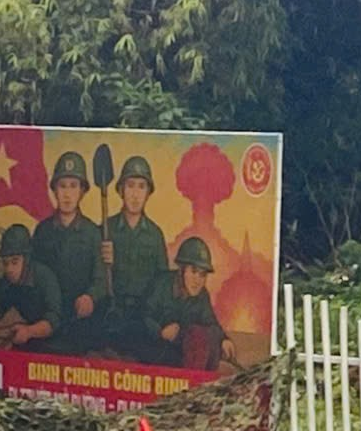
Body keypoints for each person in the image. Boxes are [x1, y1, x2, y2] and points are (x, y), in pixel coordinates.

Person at [27, 151, 103, 347]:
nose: (67, 194)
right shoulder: (42, 231)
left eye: (73, 185)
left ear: (82, 191)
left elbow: (100, 278)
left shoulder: (93, 233)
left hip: (79, 323)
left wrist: (90, 297)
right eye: (62, 186)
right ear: (54, 190)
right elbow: (31, 275)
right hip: (44, 318)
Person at [99, 154, 169, 360]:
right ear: (121, 190)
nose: (136, 194)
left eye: (141, 186)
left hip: (143, 316)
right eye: (130, 186)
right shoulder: (105, 229)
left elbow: (163, 283)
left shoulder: (155, 235)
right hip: (111, 311)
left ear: (148, 193)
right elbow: (91, 277)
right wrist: (103, 261)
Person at [0, 223, 61, 349]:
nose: (9, 269)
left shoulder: (45, 277)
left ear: (26, 260)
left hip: (54, 343)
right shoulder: (8, 279)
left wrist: (29, 331)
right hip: (22, 335)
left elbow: (54, 319)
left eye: (15, 262)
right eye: (5, 263)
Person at [155, 236, 223, 370]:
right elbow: (144, 318)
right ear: (182, 270)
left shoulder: (202, 295)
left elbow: (211, 322)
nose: (197, 280)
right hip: (155, 352)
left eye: (202, 275)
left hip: (182, 356)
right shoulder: (162, 285)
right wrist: (160, 332)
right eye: (194, 271)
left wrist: (224, 340)